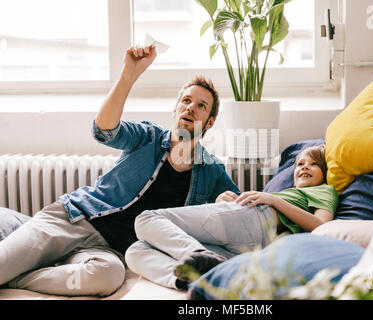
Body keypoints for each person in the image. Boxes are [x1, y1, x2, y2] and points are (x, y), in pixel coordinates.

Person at [0, 44, 239, 296]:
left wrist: (226, 202)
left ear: (210, 122)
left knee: (107, 277)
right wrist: (129, 73)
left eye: (201, 106)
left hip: (107, 252)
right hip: (74, 221)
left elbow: (243, 215)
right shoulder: (146, 137)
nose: (190, 107)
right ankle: (15, 259)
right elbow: (104, 129)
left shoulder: (212, 171)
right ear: (176, 108)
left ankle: (16, 279)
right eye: (186, 100)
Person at [125, 144, 339, 290]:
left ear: (325, 172)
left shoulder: (324, 191)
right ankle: (188, 280)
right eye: (300, 164)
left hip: (256, 220)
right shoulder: (288, 191)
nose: (304, 168)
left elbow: (321, 226)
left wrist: (273, 200)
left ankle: (196, 254)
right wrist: (224, 202)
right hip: (245, 245)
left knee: (146, 219)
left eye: (313, 164)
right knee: (135, 250)